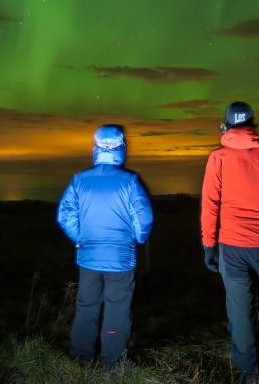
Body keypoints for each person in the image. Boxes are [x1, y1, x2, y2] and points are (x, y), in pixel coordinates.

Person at [200, 102, 259, 383]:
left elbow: (210, 203)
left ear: (226, 127)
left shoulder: (218, 158)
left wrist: (209, 244)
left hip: (232, 245)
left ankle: (249, 373)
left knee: (240, 311)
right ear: (252, 125)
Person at [57, 124, 153, 371]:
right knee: (117, 310)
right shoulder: (130, 181)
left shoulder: (79, 180)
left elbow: (65, 214)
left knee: (86, 307)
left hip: (88, 257)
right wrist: (138, 239)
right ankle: (112, 364)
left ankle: (80, 359)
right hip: (121, 260)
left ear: (95, 147)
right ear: (122, 147)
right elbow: (144, 219)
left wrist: (81, 237)